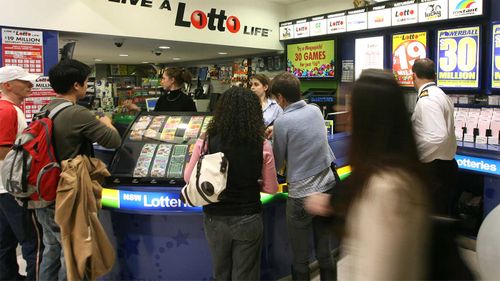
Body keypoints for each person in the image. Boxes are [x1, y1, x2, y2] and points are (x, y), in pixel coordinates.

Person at [306, 69, 430, 280]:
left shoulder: (386, 188)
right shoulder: (396, 174)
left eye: (349, 105)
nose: (342, 111)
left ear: (368, 117)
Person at [35, 59, 121, 281]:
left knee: (51, 248)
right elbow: (113, 141)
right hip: (67, 191)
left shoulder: (45, 109)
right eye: (86, 82)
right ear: (76, 85)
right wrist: (106, 121)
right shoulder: (77, 113)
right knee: (72, 251)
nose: (87, 86)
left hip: (43, 188)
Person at [184, 87, 279, 280]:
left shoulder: (207, 141)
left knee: (221, 272)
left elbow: (188, 177)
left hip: (214, 217)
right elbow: (271, 188)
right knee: (245, 274)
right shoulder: (262, 144)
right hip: (248, 216)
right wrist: (254, 182)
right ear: (253, 112)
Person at [270, 72, 336, 280]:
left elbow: (277, 162)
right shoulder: (315, 110)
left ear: (280, 97)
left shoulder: (282, 122)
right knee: (325, 252)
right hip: (326, 189)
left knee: (300, 258)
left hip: (300, 197)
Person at [0, 66, 43, 281]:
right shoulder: (8, 110)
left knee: (4, 242)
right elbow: (2, 150)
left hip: (4, 189)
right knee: (33, 243)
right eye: (24, 81)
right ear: (7, 85)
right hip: (14, 190)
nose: (30, 85)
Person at [412, 58, 458, 215]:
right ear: (434, 75)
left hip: (434, 171)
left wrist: (416, 156)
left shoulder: (427, 100)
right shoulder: (441, 95)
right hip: (445, 167)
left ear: (413, 76)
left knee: (431, 220)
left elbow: (437, 136)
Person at [123, 67, 197, 112]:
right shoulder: (163, 99)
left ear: (172, 80)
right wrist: (136, 108)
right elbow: (154, 117)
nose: (161, 81)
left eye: (164, 78)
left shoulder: (187, 101)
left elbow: (194, 120)